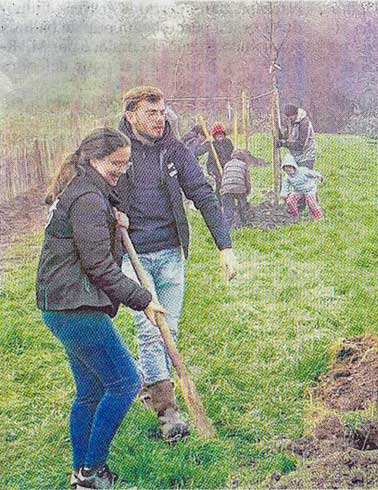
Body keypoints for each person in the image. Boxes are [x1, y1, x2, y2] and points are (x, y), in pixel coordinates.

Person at [36, 128, 165, 488]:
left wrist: (115, 219)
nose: (121, 170)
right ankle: (92, 471)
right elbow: (99, 266)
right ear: (94, 159)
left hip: (60, 305)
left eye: (126, 163)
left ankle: (82, 474)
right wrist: (143, 300)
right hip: (74, 308)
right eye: (115, 163)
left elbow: (94, 244)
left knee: (91, 391)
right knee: (126, 382)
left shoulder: (88, 191)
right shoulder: (88, 198)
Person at [114, 86, 238, 442]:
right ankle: (168, 412)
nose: (159, 119)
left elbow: (203, 194)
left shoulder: (175, 150)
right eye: (150, 113)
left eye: (162, 112)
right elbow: (93, 187)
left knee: (170, 329)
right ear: (131, 115)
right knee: (151, 330)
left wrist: (225, 246)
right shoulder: (116, 149)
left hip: (170, 253)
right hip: (133, 256)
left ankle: (149, 383)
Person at [280, 154, 324, 220]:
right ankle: (295, 215)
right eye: (286, 170)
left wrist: (318, 175)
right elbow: (285, 186)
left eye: (289, 169)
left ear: (294, 166)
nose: (288, 172)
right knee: (290, 201)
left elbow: (311, 173)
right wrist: (284, 193)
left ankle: (319, 216)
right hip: (298, 191)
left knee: (311, 203)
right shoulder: (287, 177)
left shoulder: (302, 171)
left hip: (309, 190)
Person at [278, 104, 317, 169]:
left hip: (306, 156)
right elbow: (287, 137)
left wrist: (284, 144)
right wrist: (279, 135)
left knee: (303, 174)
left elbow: (301, 145)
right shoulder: (291, 122)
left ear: (295, 114)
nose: (289, 119)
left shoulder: (304, 122)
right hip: (295, 157)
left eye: (290, 117)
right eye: (287, 117)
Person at [220, 149, 252, 228]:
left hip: (226, 188)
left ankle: (227, 225)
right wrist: (248, 191)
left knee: (228, 209)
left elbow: (223, 178)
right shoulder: (243, 165)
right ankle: (244, 221)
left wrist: (222, 189)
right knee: (242, 205)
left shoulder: (227, 164)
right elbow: (247, 180)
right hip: (239, 188)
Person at [206, 123, 234, 200]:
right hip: (218, 170)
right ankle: (218, 202)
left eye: (221, 135)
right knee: (219, 187)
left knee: (231, 187)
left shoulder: (228, 143)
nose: (220, 137)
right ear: (214, 136)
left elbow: (232, 155)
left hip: (228, 168)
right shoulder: (213, 146)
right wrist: (213, 172)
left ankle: (231, 201)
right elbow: (210, 161)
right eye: (218, 135)